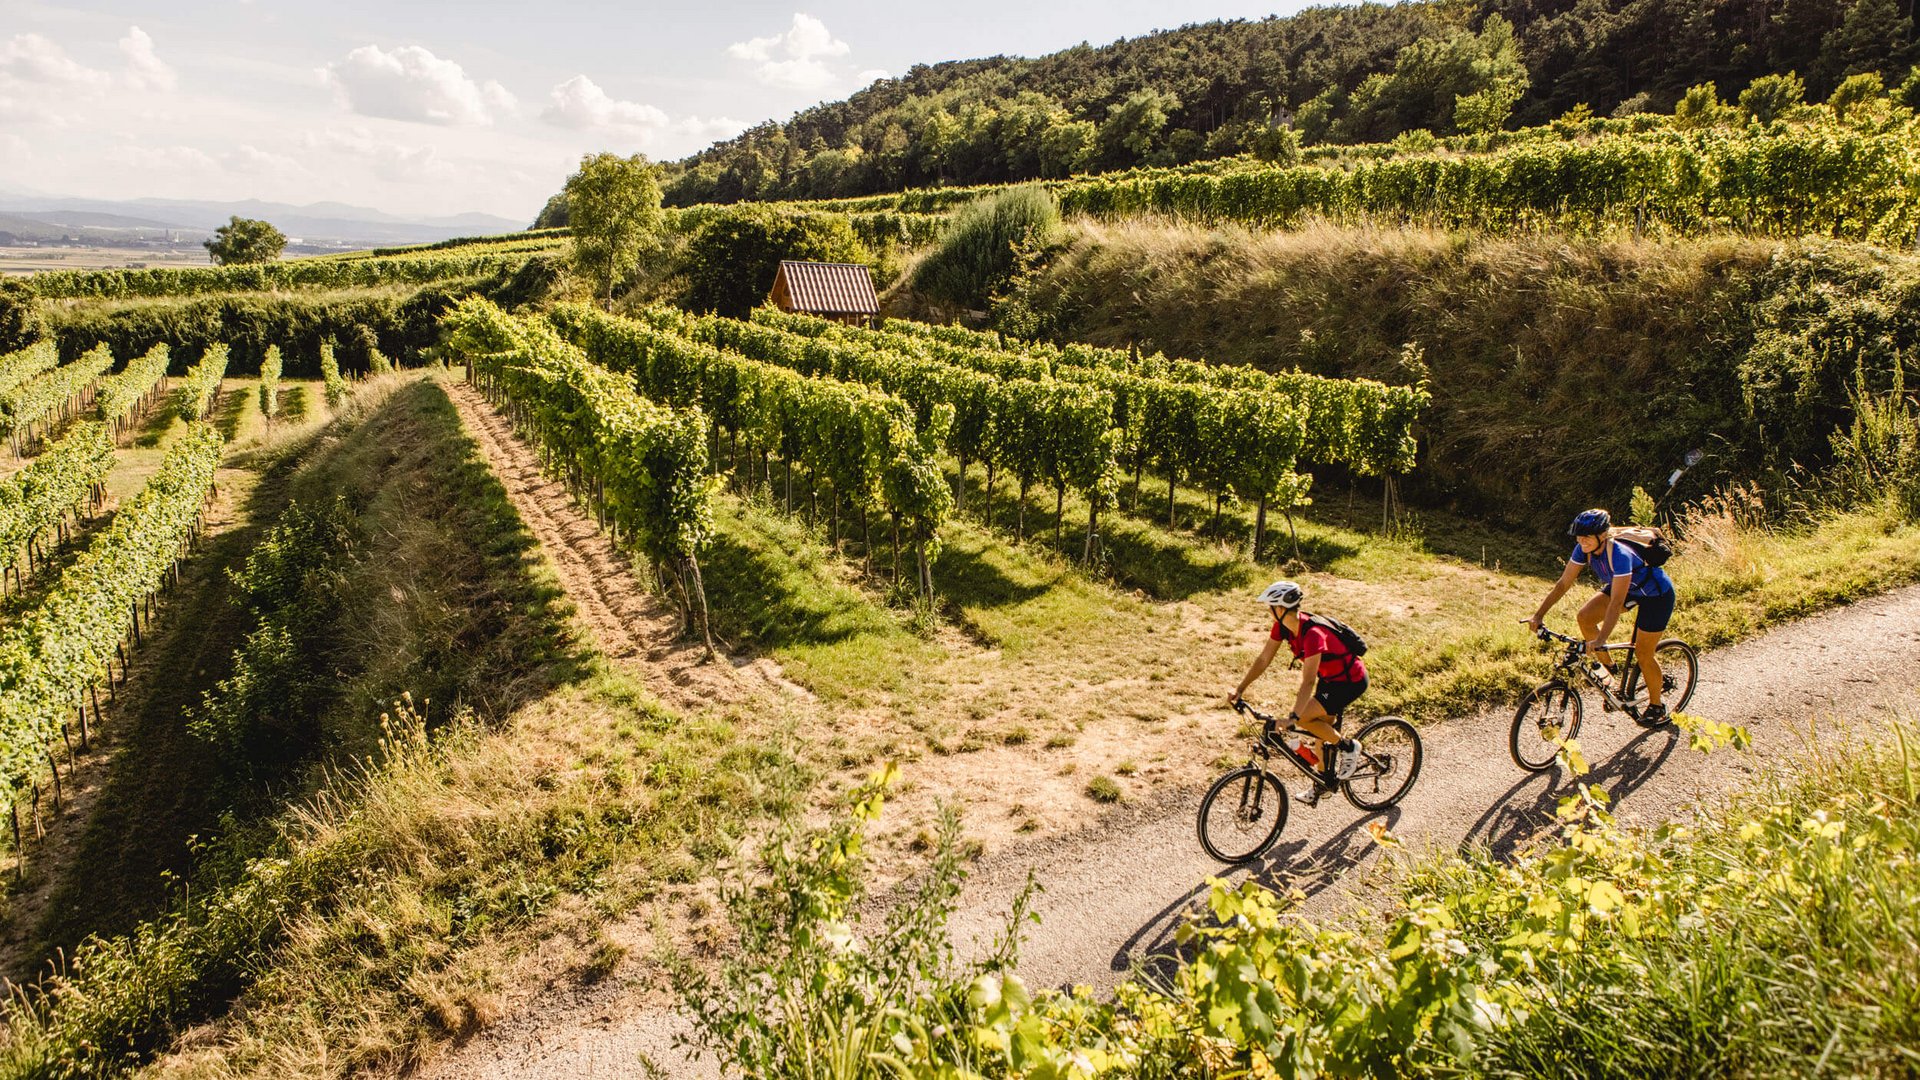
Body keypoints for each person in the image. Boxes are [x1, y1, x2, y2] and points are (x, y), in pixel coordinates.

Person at [1527, 508, 1677, 725]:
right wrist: (1538, 615)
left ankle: (1656, 706)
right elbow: (1563, 584)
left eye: (1587, 536)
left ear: (1602, 535)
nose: (1581, 540)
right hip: (1627, 590)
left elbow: (1616, 603)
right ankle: (1610, 673)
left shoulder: (1620, 554)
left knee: (1644, 654)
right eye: (1579, 535)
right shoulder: (1583, 549)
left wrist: (1601, 640)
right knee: (1585, 617)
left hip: (1656, 596)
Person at [1228, 580, 1367, 803]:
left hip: (1349, 681)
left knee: (1304, 719)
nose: (1269, 611)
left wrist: (1293, 717)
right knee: (1321, 736)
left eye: (1270, 607)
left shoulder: (1313, 634)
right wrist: (1240, 689)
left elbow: (1308, 681)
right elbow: (1264, 659)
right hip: (1329, 680)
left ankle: (1349, 747)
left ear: (1281, 608)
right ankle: (1325, 782)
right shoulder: (1283, 627)